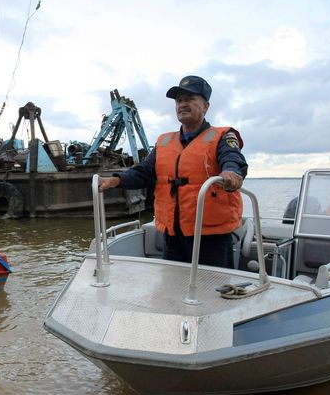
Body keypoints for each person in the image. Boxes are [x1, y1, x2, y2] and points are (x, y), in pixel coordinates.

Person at [99, 75, 248, 268]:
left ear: (205, 106)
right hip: (173, 234)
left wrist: (231, 174)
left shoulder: (222, 136)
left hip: (211, 235)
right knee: (171, 287)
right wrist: (116, 180)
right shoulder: (164, 142)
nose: (182, 105)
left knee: (210, 289)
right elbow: (145, 172)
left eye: (189, 99)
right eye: (179, 101)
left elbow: (233, 159)